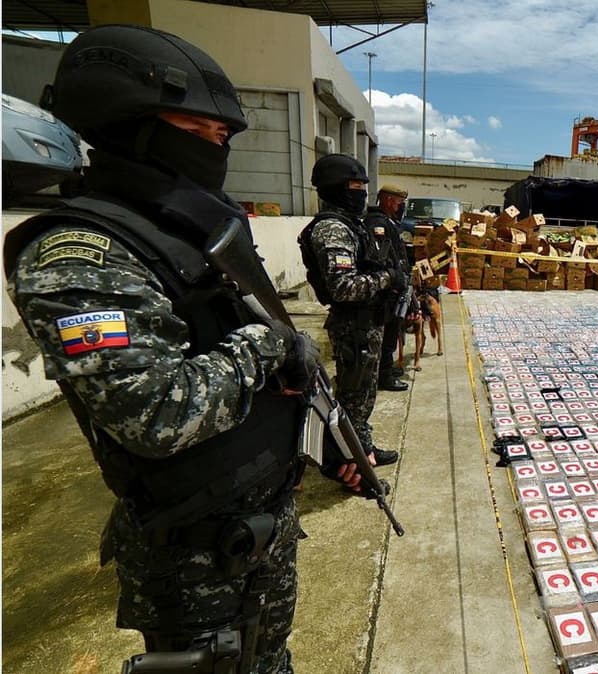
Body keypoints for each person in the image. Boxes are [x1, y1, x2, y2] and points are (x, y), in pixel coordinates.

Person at [2, 25, 363, 673]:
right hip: (195, 548)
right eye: (197, 133)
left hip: (260, 513)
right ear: (127, 127)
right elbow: (157, 415)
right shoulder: (80, 254)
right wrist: (268, 346)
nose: (216, 150)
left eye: (221, 137)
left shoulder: (192, 225)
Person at [298, 154, 402, 467]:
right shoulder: (332, 229)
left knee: (362, 398)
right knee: (353, 399)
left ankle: (361, 448)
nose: (361, 193)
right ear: (336, 188)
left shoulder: (350, 225)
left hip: (366, 323)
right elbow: (343, 287)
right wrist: (387, 279)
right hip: (353, 326)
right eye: (355, 186)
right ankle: (352, 464)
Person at [364, 184, 410, 392]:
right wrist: (393, 278)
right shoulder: (377, 223)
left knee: (393, 331)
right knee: (387, 334)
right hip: (385, 289)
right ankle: (384, 377)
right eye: (400, 203)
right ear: (389, 201)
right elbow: (380, 258)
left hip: (395, 286)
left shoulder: (390, 221)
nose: (401, 207)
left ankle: (387, 369)